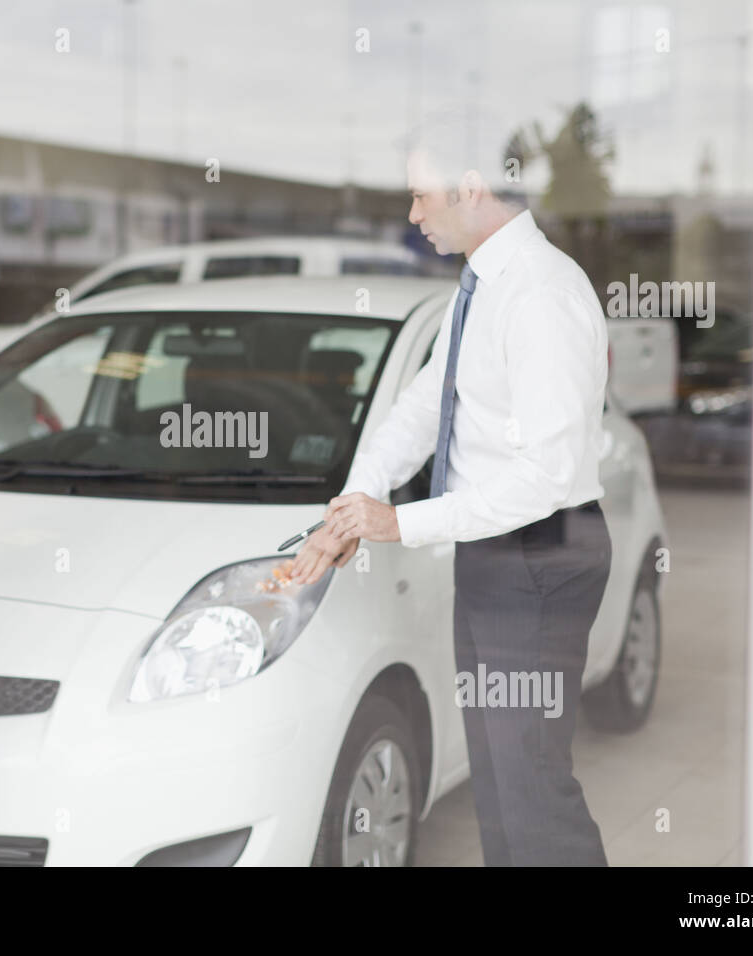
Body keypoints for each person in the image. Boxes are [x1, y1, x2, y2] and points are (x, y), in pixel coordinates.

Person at [291, 122, 613, 866]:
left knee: (532, 792)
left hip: (540, 553)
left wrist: (400, 522)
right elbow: (420, 409)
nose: (413, 216)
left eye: (420, 195)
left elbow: (547, 474)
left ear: (472, 186)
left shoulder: (541, 294)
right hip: (497, 555)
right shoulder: (483, 288)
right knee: (500, 788)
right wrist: (351, 509)